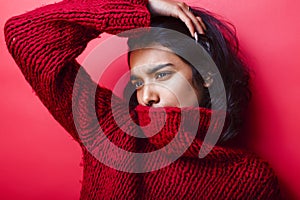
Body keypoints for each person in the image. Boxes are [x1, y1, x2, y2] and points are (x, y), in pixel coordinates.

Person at [4, 0, 281, 199]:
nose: (146, 96)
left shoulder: (248, 180)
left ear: (206, 74)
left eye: (161, 75)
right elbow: (26, 35)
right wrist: (141, 8)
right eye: (138, 82)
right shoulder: (108, 129)